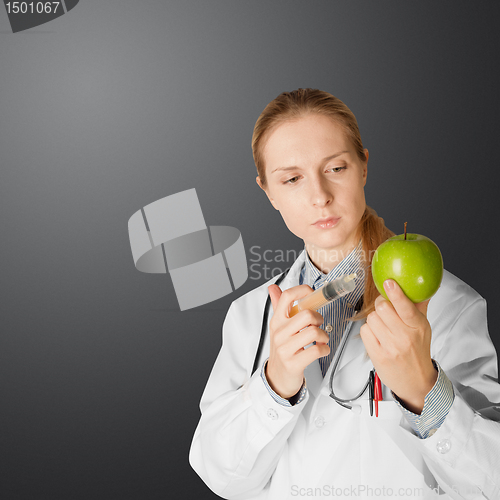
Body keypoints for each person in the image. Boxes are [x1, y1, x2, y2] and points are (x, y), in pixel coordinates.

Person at [189, 88, 500, 499]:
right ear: (268, 192)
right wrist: (275, 383)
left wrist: (425, 391)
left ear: (363, 167)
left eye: (335, 168)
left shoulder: (447, 306)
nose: (320, 196)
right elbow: (221, 477)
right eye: (292, 178)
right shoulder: (250, 314)